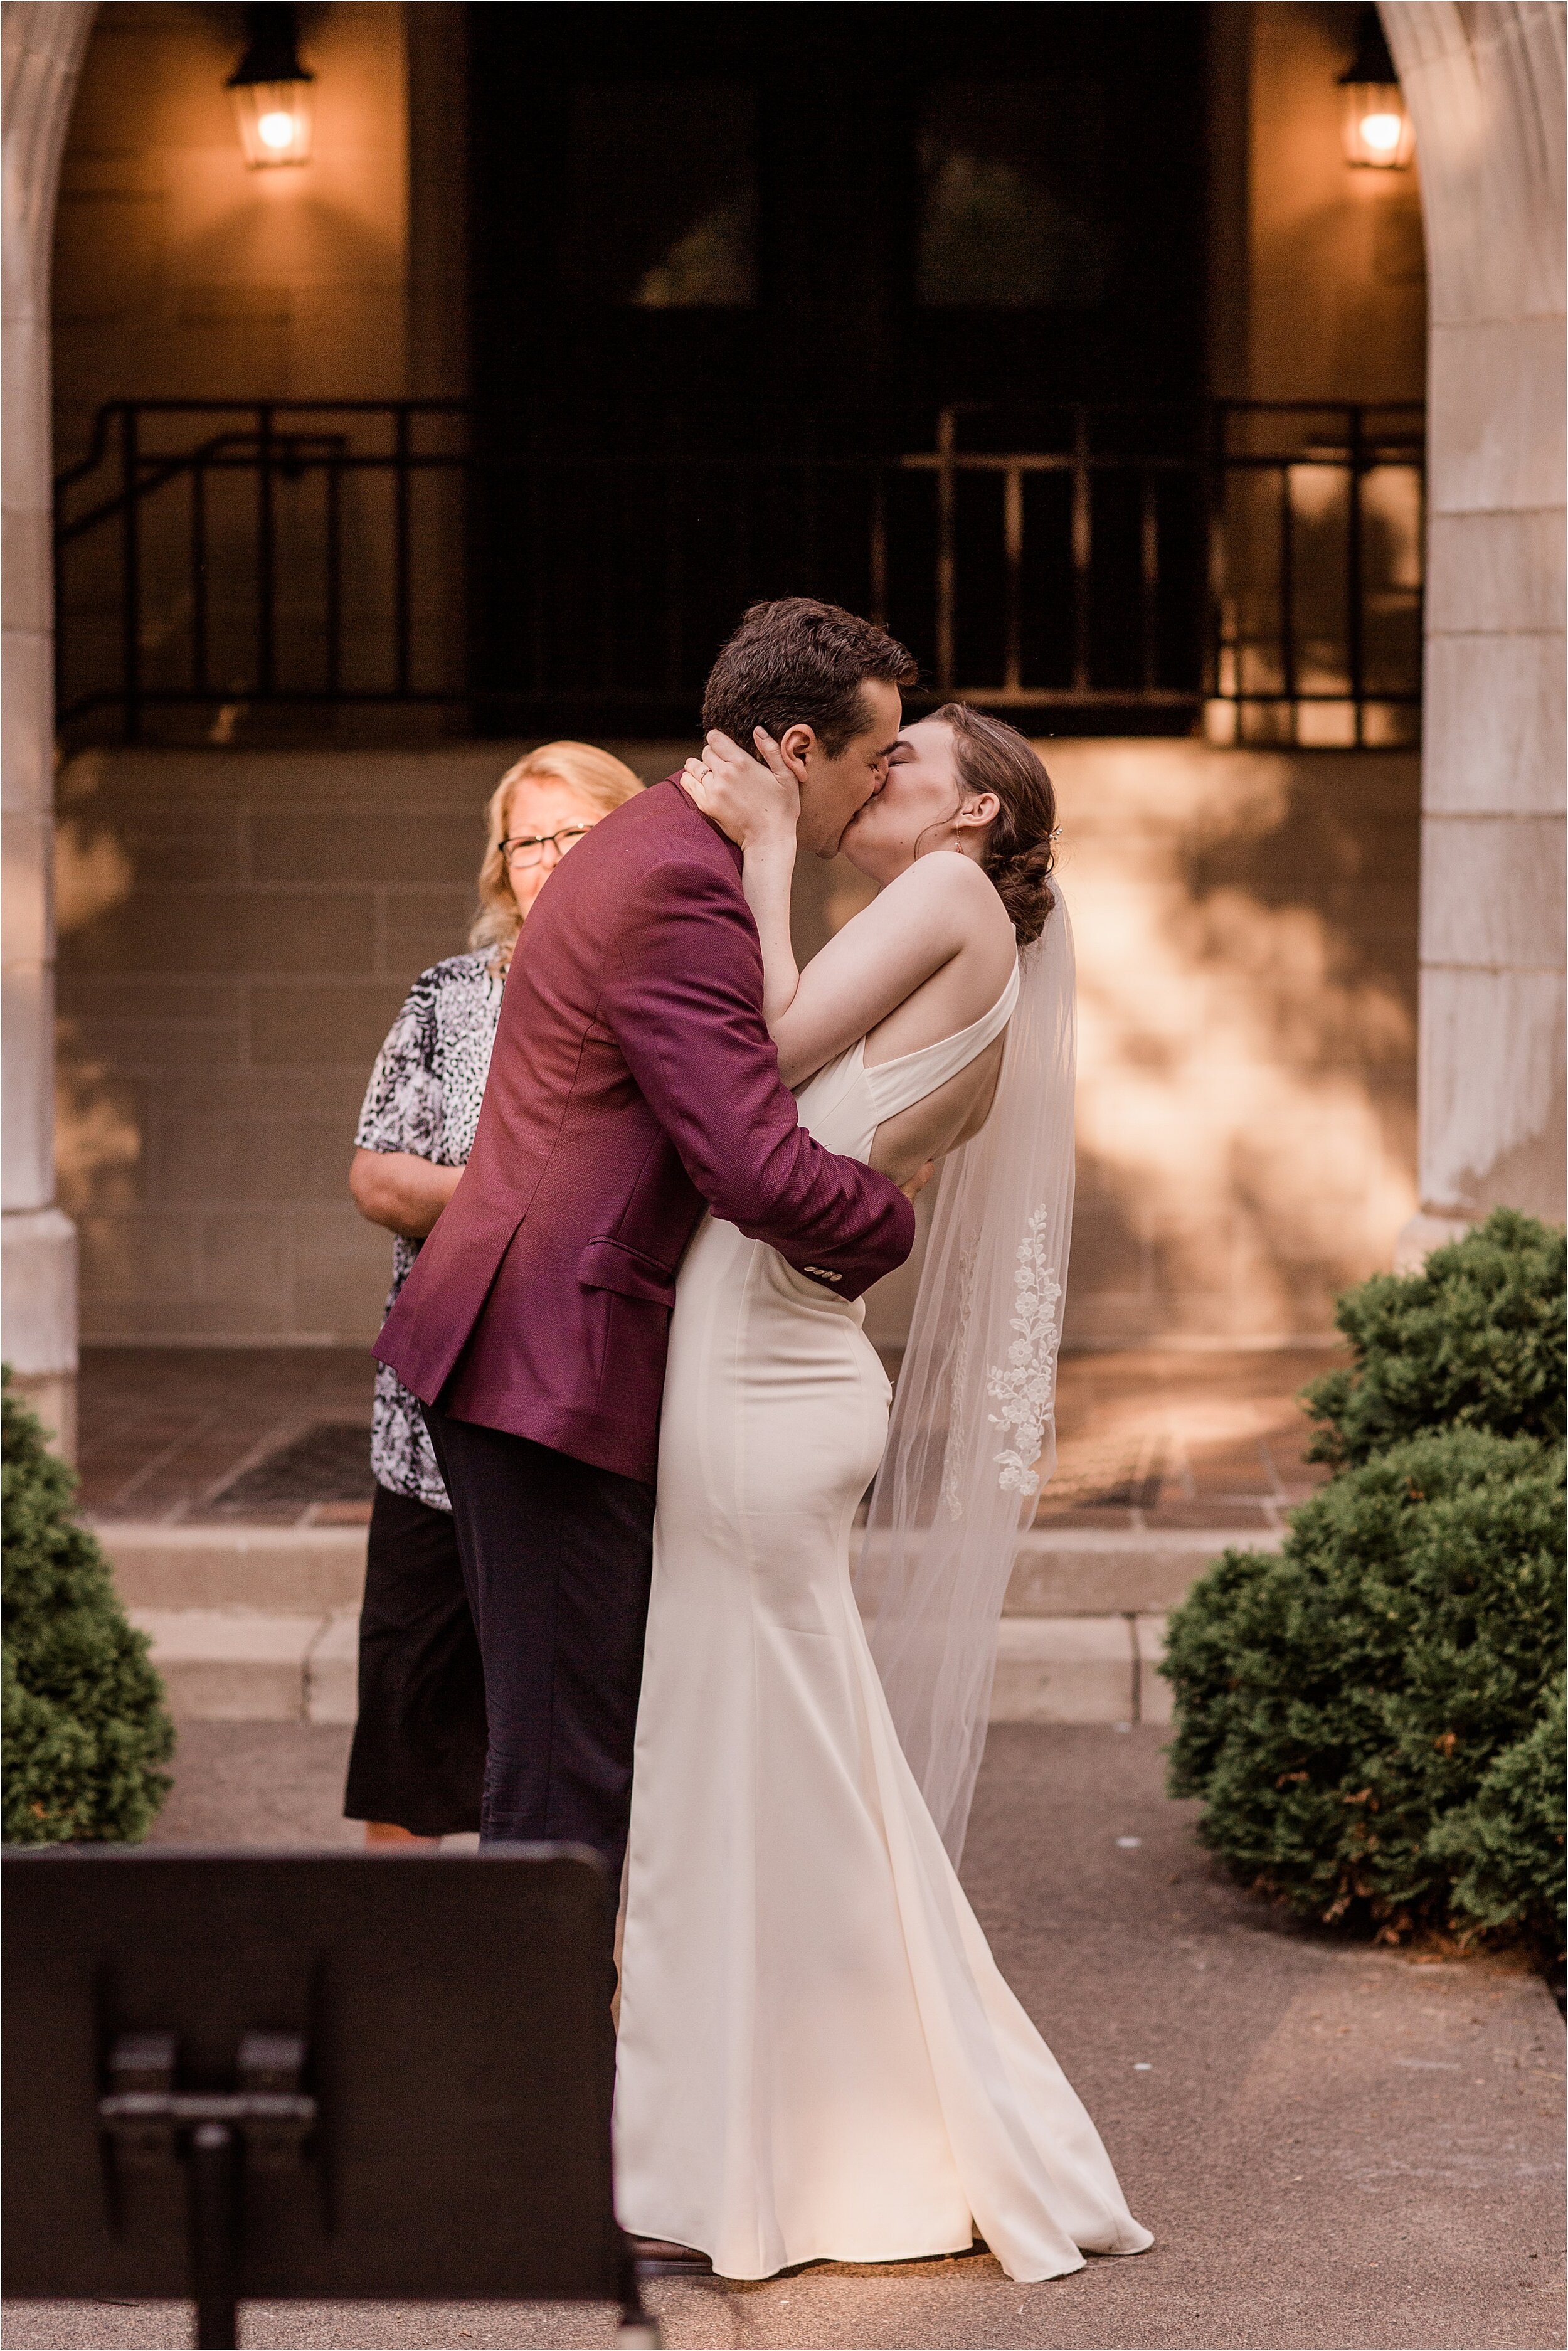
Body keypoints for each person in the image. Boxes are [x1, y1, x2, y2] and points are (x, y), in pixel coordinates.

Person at [611, 703, 1152, 2282]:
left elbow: (753, 1058)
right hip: (780, 1364)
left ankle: (776, 2146)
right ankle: (778, 2124)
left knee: (745, 1753)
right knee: (773, 1751)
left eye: (905, 757)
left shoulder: (944, 897)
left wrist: (765, 851)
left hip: (758, 1375)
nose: (872, 772)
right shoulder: (957, 925)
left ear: (973, 812)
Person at [372, 607, 921, 2010]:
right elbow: (741, 1157)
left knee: (561, 1761)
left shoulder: (674, 854)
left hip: (531, 1345)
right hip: (547, 1360)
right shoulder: (676, 881)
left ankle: (546, 2133)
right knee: (560, 1778)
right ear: (796, 749)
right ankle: (533, 2175)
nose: (879, 785)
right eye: (868, 760)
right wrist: (900, 1215)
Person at [344, 741, 645, 1845]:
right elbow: (378, 1174)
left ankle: (575, 1989)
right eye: (529, 843)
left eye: (579, 837)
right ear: (499, 866)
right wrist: (529, 1200)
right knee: (410, 1733)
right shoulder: (449, 1000)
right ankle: (396, 1999)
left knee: (582, 1736)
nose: (553, 863)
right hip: (433, 1431)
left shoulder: (671, 991)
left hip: (582, 1426)